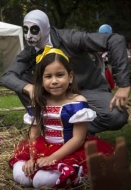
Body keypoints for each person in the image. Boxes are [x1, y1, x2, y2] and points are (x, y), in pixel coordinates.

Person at [2, 9, 130, 134]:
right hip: (56, 94)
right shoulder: (30, 52)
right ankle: (48, 124)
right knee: (21, 79)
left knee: (116, 116)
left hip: (88, 90)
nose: (28, 35)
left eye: (34, 29)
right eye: (25, 30)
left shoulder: (70, 38)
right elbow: (8, 76)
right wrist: (29, 88)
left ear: (45, 27)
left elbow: (115, 40)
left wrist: (124, 84)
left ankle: (71, 127)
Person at [9, 47, 114, 188]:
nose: (54, 81)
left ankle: (77, 172)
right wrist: (32, 158)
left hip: (71, 150)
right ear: (41, 79)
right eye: (48, 76)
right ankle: (46, 170)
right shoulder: (40, 101)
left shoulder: (77, 102)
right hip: (44, 147)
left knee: (41, 181)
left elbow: (78, 139)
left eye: (59, 75)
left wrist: (52, 158)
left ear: (70, 77)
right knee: (20, 176)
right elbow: (34, 132)